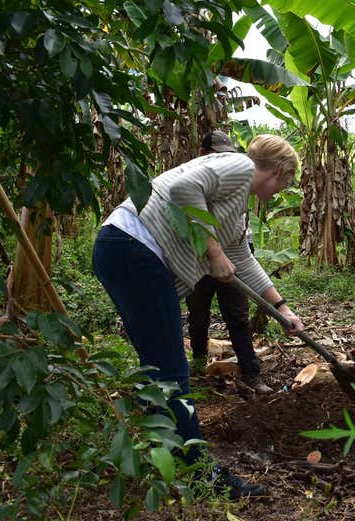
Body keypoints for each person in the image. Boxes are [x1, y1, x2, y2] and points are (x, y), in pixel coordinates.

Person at [92, 132, 302, 498]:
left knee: (156, 368)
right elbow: (183, 190)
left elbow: (242, 259)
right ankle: (200, 473)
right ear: (278, 171)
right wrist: (210, 248)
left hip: (122, 249)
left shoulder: (236, 205)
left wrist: (282, 308)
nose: (283, 191)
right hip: (134, 248)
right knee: (172, 370)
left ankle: (159, 455)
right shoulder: (239, 166)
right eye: (286, 182)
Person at [185, 132, 273, 394]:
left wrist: (279, 304)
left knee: (237, 317)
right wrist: (212, 255)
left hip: (234, 259)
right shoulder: (199, 183)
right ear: (203, 154)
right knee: (198, 315)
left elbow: (240, 234)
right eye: (217, 153)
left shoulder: (237, 186)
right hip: (199, 262)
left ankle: (251, 373)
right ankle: (199, 362)